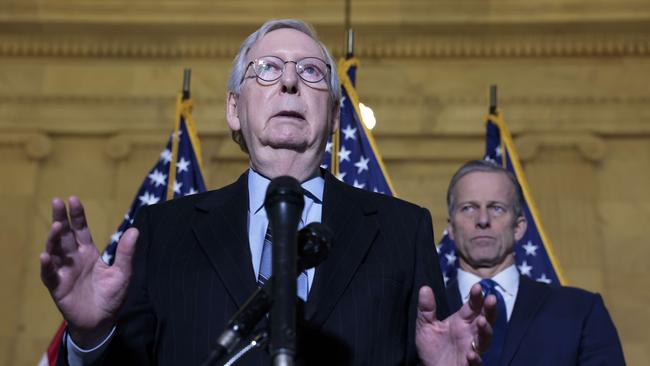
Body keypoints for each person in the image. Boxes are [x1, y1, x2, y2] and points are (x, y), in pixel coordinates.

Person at [40, 19, 494, 366]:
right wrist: (90, 335)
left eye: (312, 72)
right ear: (234, 109)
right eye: (268, 68)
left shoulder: (401, 229)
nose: (290, 81)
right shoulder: (163, 230)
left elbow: (437, 345)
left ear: (334, 117)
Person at [443, 159, 626, 366]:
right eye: (468, 208)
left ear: (519, 227)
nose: (483, 219)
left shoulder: (581, 311)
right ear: (451, 228)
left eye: (496, 208)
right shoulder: (418, 317)